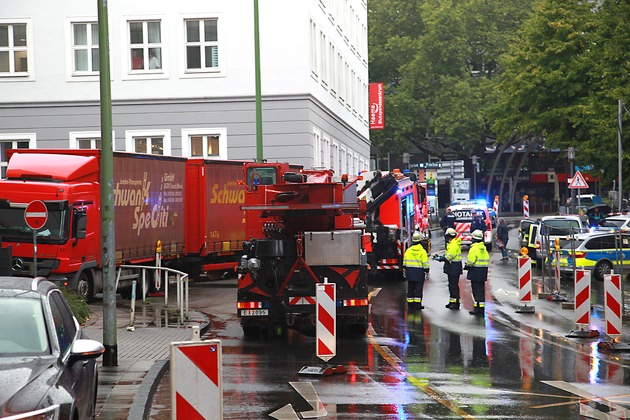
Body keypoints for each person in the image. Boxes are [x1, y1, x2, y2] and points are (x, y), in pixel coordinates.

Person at [434, 228, 462, 309]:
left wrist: (441, 259)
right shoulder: (453, 243)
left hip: (453, 267)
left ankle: (455, 303)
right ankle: (453, 301)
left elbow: (449, 256)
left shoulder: (453, 245)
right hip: (453, 266)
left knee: (453, 285)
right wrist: (441, 257)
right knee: (452, 285)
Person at [465, 229, 489, 316]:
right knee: (481, 290)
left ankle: (477, 309)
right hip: (483, 271)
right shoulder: (483, 248)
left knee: (475, 290)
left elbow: (471, 261)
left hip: (475, 271)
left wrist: (467, 266)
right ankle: (481, 308)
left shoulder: (474, 248)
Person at [403, 231, 430, 309]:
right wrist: (427, 271)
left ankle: (410, 304)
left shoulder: (408, 250)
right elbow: (425, 263)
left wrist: (405, 269)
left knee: (410, 288)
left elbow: (404, 261)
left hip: (410, 271)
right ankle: (417, 305)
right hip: (419, 272)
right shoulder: (422, 251)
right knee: (418, 289)